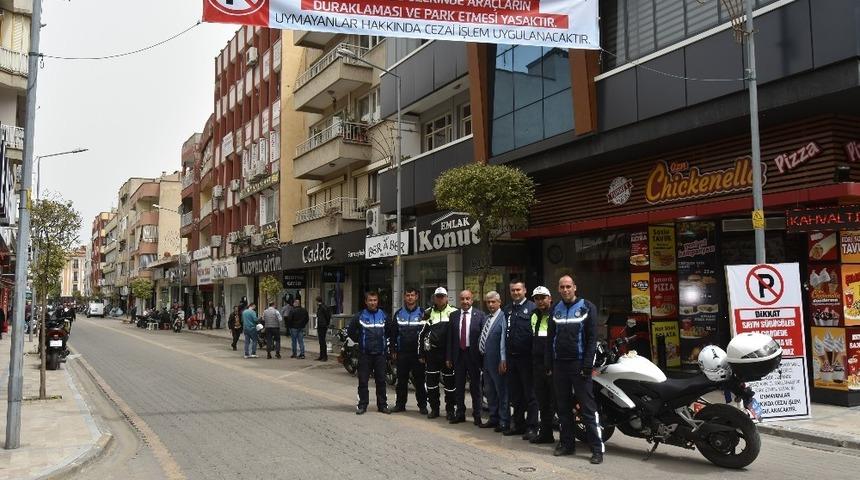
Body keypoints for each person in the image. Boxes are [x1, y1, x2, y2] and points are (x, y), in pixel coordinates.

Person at [546, 275, 603, 464]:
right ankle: (567, 444)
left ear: (575, 287)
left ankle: (597, 449)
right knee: (562, 407)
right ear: (558, 289)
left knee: (587, 409)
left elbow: (592, 338)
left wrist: (587, 365)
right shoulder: (555, 308)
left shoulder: (587, 307)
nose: (565, 290)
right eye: (562, 287)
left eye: (568, 286)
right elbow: (550, 338)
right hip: (559, 365)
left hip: (579, 365)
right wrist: (549, 363)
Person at [501, 280, 539, 440]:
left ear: (525, 290)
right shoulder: (507, 309)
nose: (516, 293)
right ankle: (518, 424)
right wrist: (503, 358)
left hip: (527, 359)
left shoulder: (533, 308)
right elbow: (504, 335)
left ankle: (532, 427)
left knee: (530, 395)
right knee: (515, 395)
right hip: (511, 358)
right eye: (513, 290)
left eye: (518, 290)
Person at [347, 291, 390, 415]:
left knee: (381, 381)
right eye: (370, 300)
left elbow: (389, 330)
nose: (373, 302)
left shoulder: (384, 315)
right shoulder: (359, 316)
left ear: (378, 301)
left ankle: (382, 405)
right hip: (365, 354)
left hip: (380, 355)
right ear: (366, 302)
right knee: (363, 381)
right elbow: (351, 331)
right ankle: (362, 405)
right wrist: (360, 341)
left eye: (375, 300)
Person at [418, 287, 457, 420]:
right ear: (434, 298)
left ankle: (450, 410)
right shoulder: (428, 312)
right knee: (432, 384)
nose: (440, 299)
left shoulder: (454, 311)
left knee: (450, 385)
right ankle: (434, 409)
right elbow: (421, 334)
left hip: (447, 354)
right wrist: (421, 354)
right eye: (437, 296)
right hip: (432, 354)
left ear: (447, 297)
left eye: (442, 296)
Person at [447, 290, 485, 425]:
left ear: (472, 300)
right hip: (459, 355)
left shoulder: (480, 315)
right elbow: (450, 338)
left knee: (475, 387)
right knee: (459, 386)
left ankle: (477, 415)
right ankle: (460, 413)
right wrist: (449, 357)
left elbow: (483, 338)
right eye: (462, 299)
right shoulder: (454, 316)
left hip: (473, 355)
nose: (465, 301)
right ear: (459, 300)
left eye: (467, 298)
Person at [387, 287, 427, 414]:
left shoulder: (423, 313)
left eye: (412, 295)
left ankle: (422, 406)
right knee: (401, 381)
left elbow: (426, 333)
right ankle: (400, 405)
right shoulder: (399, 313)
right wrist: (392, 349)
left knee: (419, 381)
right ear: (404, 297)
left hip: (417, 354)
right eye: (408, 295)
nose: (410, 297)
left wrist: (424, 352)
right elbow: (393, 333)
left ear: (417, 297)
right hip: (402, 353)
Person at [529, 286, 556, 445]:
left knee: (557, 403)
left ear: (550, 298)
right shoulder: (534, 315)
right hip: (537, 364)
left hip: (552, 365)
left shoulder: (555, 315)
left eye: (543, 297)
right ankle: (546, 434)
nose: (540, 301)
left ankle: (566, 439)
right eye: (537, 298)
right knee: (543, 402)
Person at [479, 291, 509, 432]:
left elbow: (504, 340)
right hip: (486, 360)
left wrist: (503, 359)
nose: (490, 304)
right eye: (488, 302)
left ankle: (504, 420)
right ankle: (493, 417)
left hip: (498, 361)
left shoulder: (504, 317)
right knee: (489, 391)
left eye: (493, 302)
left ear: (499, 302)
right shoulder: (486, 318)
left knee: (501, 391)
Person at [315, 296, 331, 361]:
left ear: (317, 301)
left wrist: (326, 323)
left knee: (322, 341)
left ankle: (324, 356)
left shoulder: (323, 307)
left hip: (322, 326)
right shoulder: (321, 307)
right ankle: (321, 356)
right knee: (321, 342)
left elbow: (327, 316)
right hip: (321, 325)